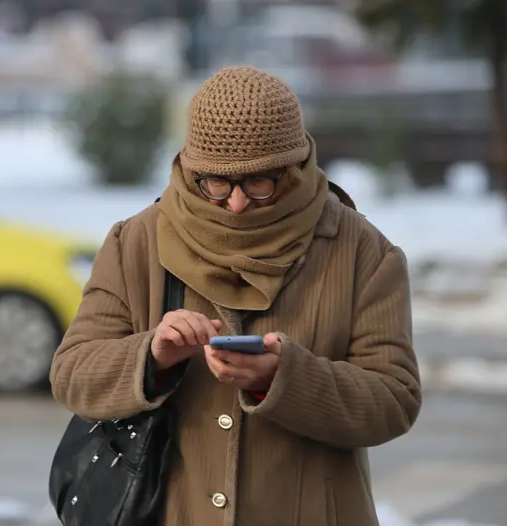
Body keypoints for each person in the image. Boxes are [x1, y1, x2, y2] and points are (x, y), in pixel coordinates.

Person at [49, 66, 421, 526]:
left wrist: (285, 378)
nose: (237, 203)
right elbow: (72, 375)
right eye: (217, 183)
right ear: (190, 168)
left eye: (259, 183)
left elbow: (394, 400)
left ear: (294, 168)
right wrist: (152, 356)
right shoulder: (136, 242)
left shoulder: (364, 252)